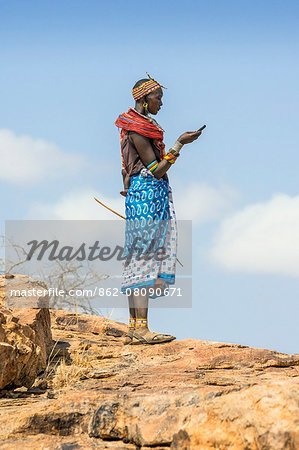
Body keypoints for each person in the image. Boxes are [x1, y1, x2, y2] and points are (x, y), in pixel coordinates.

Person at [115, 74, 203, 345]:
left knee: (139, 258)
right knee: (143, 259)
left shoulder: (136, 125)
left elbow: (126, 171)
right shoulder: (137, 128)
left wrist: (130, 186)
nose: (161, 104)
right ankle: (140, 329)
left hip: (142, 195)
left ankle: (135, 327)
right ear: (143, 99)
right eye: (158, 98)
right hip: (147, 196)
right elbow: (156, 169)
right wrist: (179, 144)